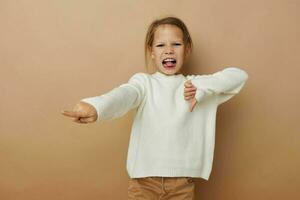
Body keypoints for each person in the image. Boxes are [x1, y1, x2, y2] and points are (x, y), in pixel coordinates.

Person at [61, 16, 248, 200]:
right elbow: (124, 95)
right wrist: (97, 106)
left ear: (187, 49)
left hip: (182, 184)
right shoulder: (144, 83)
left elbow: (239, 76)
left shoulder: (195, 87)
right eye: (160, 45)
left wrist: (200, 88)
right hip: (144, 183)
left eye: (176, 44)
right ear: (151, 51)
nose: (168, 51)